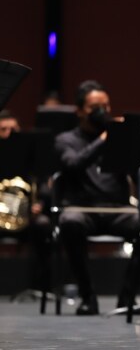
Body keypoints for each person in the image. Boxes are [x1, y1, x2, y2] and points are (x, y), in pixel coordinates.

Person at [54, 80, 140, 315]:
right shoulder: (66, 140)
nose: (103, 112)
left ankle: (126, 298)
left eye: (106, 106)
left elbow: (137, 170)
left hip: (118, 210)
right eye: (95, 107)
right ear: (80, 111)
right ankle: (87, 296)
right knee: (69, 221)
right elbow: (72, 164)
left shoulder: (119, 137)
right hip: (83, 210)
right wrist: (104, 140)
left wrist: (130, 141)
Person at [0, 110, 53, 294]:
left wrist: (40, 204)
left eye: (14, 129)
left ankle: (41, 288)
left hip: (26, 217)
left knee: (45, 225)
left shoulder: (31, 155)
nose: (9, 134)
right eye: (4, 129)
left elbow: (43, 187)